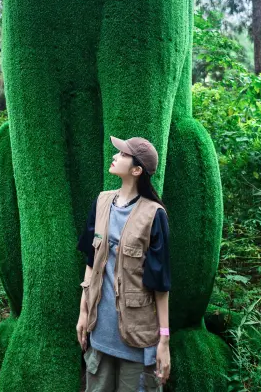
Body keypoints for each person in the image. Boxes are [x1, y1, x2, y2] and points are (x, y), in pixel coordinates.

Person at [76, 136, 171, 391]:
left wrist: (164, 340)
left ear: (136, 170)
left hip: (137, 341)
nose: (115, 155)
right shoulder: (101, 202)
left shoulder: (154, 215)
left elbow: (160, 285)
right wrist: (83, 312)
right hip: (100, 335)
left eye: (122, 154)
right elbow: (91, 261)